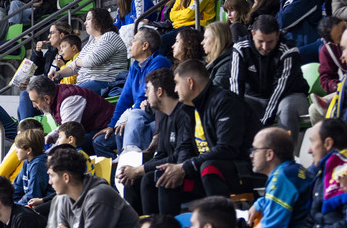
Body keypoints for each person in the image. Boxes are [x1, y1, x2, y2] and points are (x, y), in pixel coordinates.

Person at [161, 61, 258, 213]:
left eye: (176, 83)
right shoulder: (188, 108)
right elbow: (185, 147)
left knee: (209, 167)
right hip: (204, 170)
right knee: (163, 178)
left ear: (190, 82)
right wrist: (179, 168)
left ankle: (222, 226)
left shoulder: (225, 101)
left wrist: (185, 167)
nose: (174, 89)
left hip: (242, 170)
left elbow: (227, 149)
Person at [116, 69, 197, 217]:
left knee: (149, 178)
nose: (145, 94)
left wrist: (140, 170)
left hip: (190, 176)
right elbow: (161, 155)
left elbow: (180, 157)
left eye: (147, 90)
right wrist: (135, 171)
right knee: (133, 180)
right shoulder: (165, 117)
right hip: (170, 170)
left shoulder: (185, 114)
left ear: (159, 91)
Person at [93, 27, 171, 158]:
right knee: (99, 142)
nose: (130, 43)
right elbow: (124, 98)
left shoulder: (159, 62)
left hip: (153, 114)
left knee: (121, 134)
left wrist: (129, 121)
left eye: (134, 40)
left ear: (145, 45)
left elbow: (145, 95)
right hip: (137, 114)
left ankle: (132, 168)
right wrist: (112, 125)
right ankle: (119, 171)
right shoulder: (134, 67)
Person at [230, 15, 309, 142]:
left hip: (289, 95)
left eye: (270, 42)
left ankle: (286, 156)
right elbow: (235, 86)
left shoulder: (288, 51)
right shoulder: (240, 48)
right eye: (260, 41)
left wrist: (264, 124)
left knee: (287, 109)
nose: (265, 47)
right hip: (254, 97)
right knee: (234, 107)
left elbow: (280, 90)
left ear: (278, 35)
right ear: (252, 34)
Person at [245, 127, 314, 228]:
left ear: (269, 154)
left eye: (255, 150)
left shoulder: (282, 178)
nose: (251, 155)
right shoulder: (290, 171)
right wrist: (260, 203)